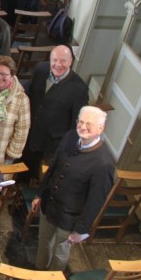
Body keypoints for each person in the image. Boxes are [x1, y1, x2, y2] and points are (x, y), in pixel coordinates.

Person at [32, 106, 115, 271]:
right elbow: (53, 167)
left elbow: (95, 201)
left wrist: (81, 230)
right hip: (49, 205)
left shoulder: (104, 163)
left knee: (60, 253)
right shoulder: (70, 136)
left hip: (69, 219)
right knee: (43, 241)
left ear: (101, 128)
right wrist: (39, 194)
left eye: (89, 124)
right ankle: (39, 273)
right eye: (80, 122)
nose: (83, 127)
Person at [22, 45, 89, 178]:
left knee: (40, 177)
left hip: (51, 146)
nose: (58, 64)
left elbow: (75, 125)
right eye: (55, 60)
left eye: (63, 61)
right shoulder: (40, 69)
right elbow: (26, 91)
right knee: (21, 171)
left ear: (71, 61)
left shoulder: (79, 89)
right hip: (28, 134)